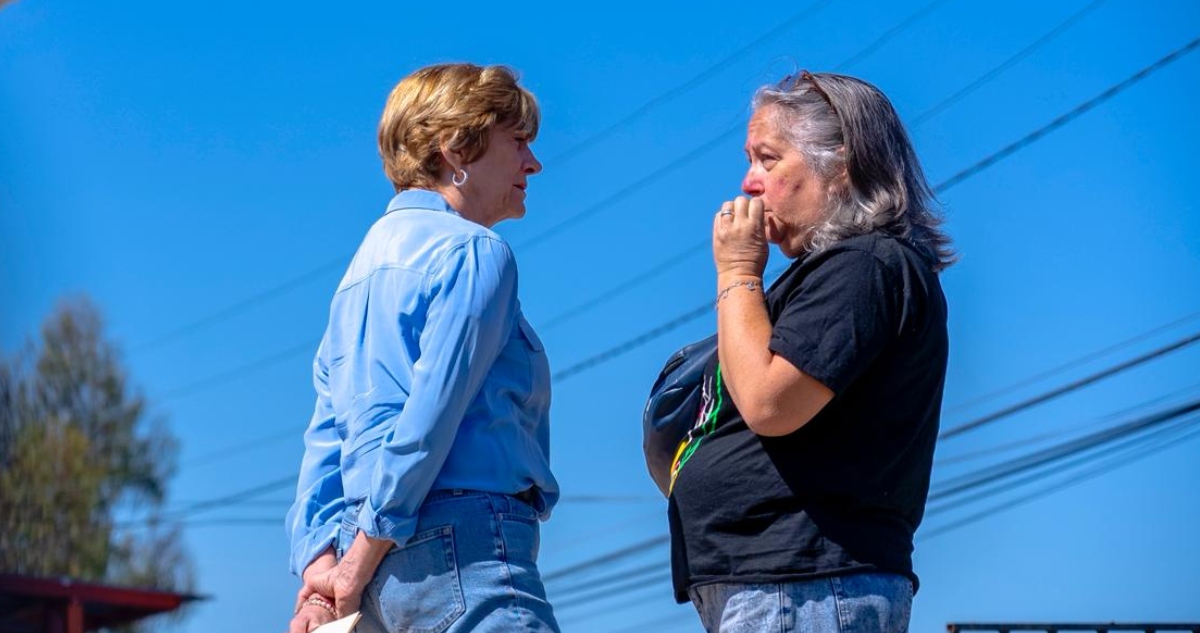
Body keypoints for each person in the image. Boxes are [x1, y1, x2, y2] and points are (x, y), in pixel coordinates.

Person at [666, 70, 954, 632]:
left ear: (840, 164)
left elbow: (770, 403)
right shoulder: (827, 272)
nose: (749, 184)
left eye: (768, 159)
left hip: (810, 586)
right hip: (785, 586)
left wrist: (736, 271)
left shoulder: (866, 264)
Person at [284, 63, 559, 633]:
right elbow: (427, 422)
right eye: (518, 141)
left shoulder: (354, 282)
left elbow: (325, 445)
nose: (532, 162)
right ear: (457, 148)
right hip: (469, 555)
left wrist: (323, 575)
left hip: (383, 587)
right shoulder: (477, 253)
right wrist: (356, 562)